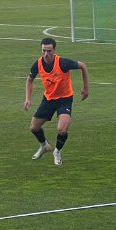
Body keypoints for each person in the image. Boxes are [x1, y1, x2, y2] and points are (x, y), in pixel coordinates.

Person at [24, 38, 89, 166]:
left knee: (62, 129)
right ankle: (44, 146)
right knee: (33, 127)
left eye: (49, 51)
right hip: (48, 100)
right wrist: (28, 99)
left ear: (54, 50)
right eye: (44, 51)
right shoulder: (37, 64)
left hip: (64, 100)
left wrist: (86, 87)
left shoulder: (63, 63)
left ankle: (57, 151)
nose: (46, 54)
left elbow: (82, 65)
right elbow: (29, 80)